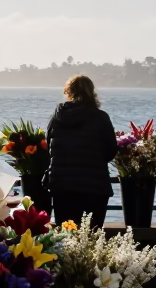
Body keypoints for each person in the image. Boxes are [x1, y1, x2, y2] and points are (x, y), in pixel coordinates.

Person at [44, 75, 117, 226]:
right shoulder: (101, 118)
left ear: (68, 92)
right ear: (92, 92)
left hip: (62, 186)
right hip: (94, 186)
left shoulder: (57, 118)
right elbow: (111, 150)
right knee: (91, 236)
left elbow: (49, 147)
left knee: (65, 236)